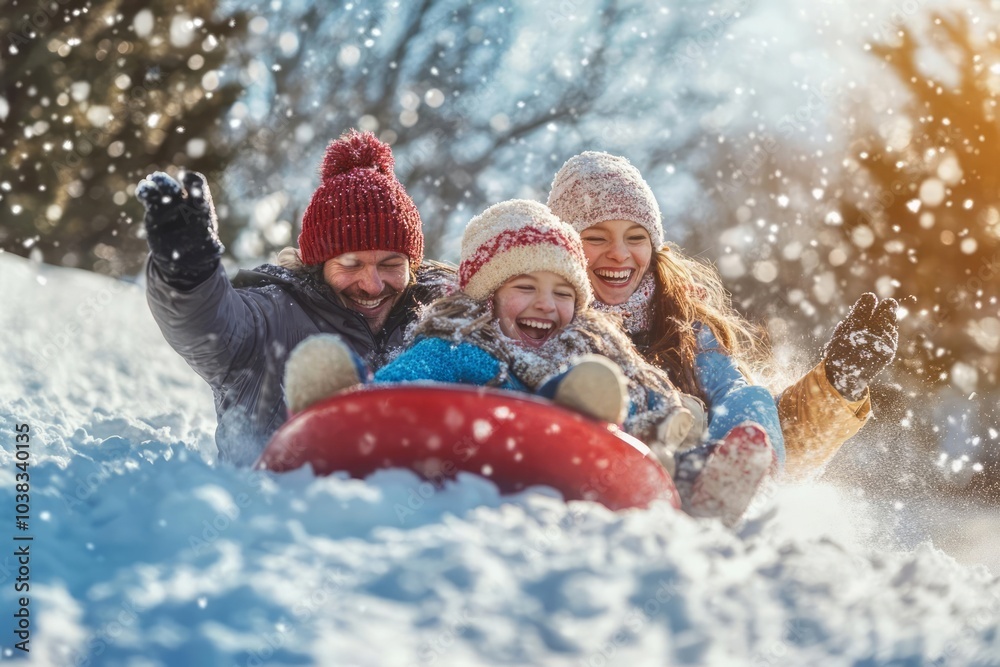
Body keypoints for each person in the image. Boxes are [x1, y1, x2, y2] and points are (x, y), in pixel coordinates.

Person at [284, 199, 781, 522]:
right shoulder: (460, 344)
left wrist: (675, 419)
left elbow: (648, 402)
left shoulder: (594, 348)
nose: (547, 304)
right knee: (585, 389)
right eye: (525, 287)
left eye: (564, 292)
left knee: (619, 407)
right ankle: (330, 397)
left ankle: (707, 494)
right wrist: (360, 406)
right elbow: (404, 390)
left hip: (582, 459)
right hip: (487, 451)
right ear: (487, 297)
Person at [546, 151, 900, 480]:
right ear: (563, 246)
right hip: (579, 489)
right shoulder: (538, 318)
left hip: (684, 504)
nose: (620, 253)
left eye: (635, 237)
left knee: (753, 399)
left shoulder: (684, 326)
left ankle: (714, 489)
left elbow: (765, 434)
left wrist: (838, 384)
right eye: (596, 237)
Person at [138, 130, 454, 466]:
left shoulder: (442, 319)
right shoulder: (273, 315)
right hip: (277, 511)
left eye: (392, 264)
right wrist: (189, 272)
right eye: (351, 264)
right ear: (319, 263)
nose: (373, 285)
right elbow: (205, 326)